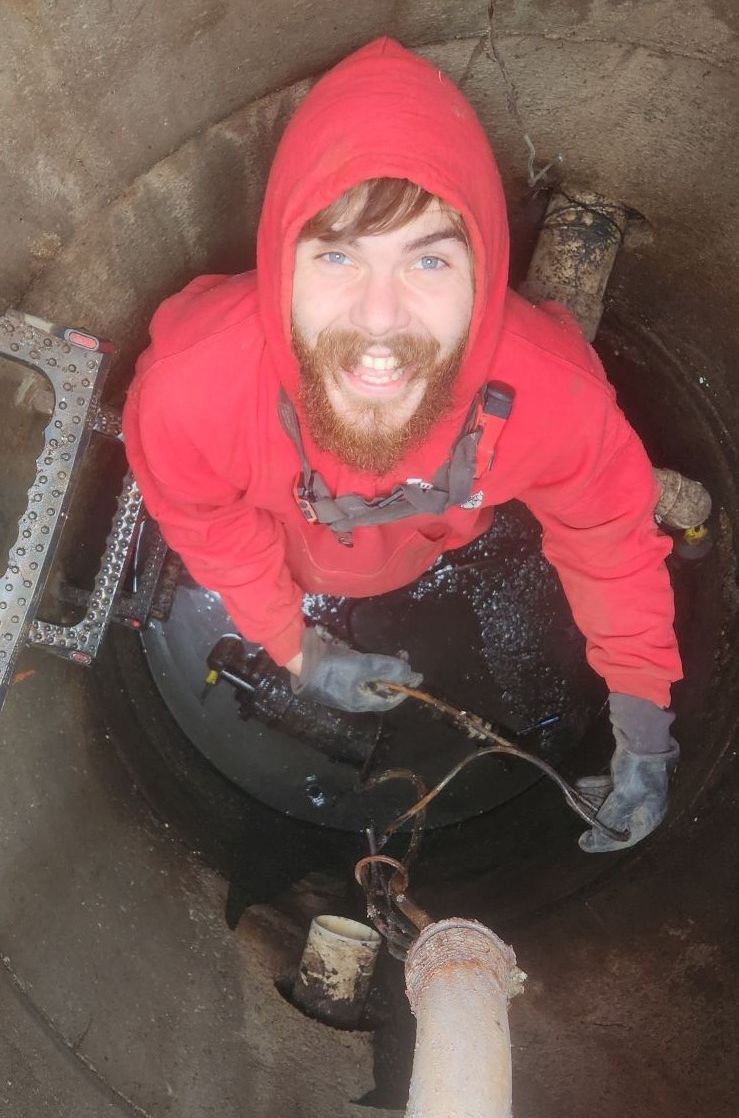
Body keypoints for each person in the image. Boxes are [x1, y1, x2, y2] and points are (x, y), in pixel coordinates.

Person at [122, 38, 682, 853]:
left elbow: (609, 542)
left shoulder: (551, 395)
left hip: (419, 544)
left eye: (428, 260)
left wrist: (642, 719)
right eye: (336, 254)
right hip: (305, 554)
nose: (379, 318)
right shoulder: (189, 391)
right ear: (280, 263)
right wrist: (295, 647)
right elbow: (210, 527)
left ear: (483, 274)